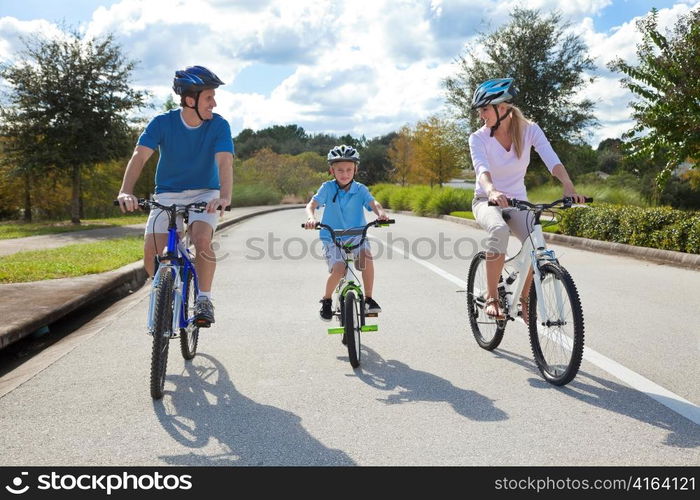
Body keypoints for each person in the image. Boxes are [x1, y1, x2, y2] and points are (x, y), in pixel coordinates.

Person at [117, 65, 234, 327]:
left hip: (206, 191)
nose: (214, 103)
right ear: (190, 99)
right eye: (208, 97)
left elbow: (225, 162)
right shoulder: (162, 123)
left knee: (202, 239)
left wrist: (224, 196)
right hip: (167, 193)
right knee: (151, 254)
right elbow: (140, 156)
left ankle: (204, 298)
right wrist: (126, 190)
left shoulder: (219, 126)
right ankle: (165, 291)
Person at [469, 78, 586, 322]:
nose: (481, 115)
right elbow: (481, 170)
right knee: (499, 230)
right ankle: (492, 297)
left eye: (484, 109)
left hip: (518, 202)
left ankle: (524, 300)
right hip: (486, 200)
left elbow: (551, 159)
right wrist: (491, 190)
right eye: (480, 111)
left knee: (536, 243)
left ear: (502, 108)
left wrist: (568, 185)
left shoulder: (530, 130)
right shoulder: (478, 138)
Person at [304, 145, 389, 321]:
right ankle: (326, 300)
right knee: (339, 269)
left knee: (366, 258)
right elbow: (311, 205)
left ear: (355, 169)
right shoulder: (327, 188)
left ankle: (369, 299)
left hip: (357, 235)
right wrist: (311, 218)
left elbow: (374, 204)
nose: (345, 173)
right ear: (332, 170)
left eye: (349, 169)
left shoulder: (361, 189)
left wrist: (380, 214)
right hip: (332, 238)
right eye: (340, 170)